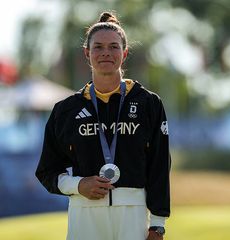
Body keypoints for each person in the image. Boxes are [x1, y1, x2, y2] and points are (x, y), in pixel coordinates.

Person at [35, 11, 170, 240]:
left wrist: (157, 224)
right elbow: (47, 171)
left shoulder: (149, 103)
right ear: (87, 54)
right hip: (84, 213)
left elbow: (159, 165)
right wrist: (78, 185)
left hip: (133, 214)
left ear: (124, 53)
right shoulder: (66, 110)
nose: (106, 52)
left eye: (113, 46)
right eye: (98, 47)